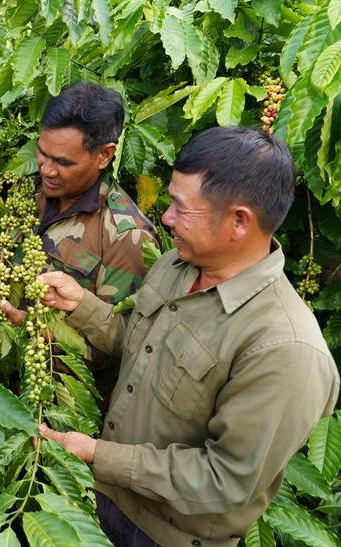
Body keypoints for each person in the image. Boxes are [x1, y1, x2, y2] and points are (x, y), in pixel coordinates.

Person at [36, 126, 339, 546]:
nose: (165, 218)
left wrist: (97, 454)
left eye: (181, 207)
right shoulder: (175, 266)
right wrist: (80, 306)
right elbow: (140, 347)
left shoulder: (285, 348)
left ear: (238, 221)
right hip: (103, 498)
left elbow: (225, 479)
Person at [0, 80, 157, 327]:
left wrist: (43, 338)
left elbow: (122, 340)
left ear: (104, 155)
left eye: (64, 163)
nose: (47, 170)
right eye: (41, 153)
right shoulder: (29, 190)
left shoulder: (126, 236)